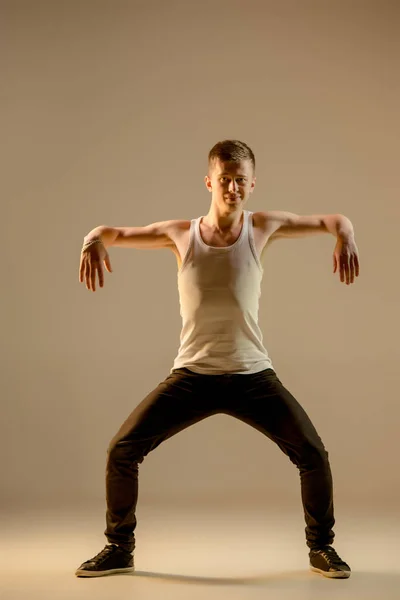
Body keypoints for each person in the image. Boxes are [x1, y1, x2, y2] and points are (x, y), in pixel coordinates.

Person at [75, 139, 359, 579]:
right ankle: (119, 548)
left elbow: (332, 219)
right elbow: (117, 233)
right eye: (224, 180)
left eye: (240, 181)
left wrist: (346, 235)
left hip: (252, 375)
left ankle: (322, 548)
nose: (232, 189)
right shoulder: (181, 234)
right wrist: (93, 238)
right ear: (209, 182)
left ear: (252, 184)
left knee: (313, 456)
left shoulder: (261, 226)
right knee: (122, 451)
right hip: (192, 376)